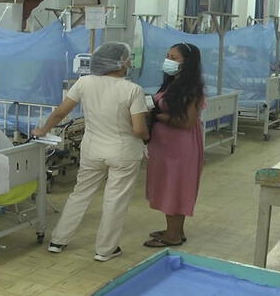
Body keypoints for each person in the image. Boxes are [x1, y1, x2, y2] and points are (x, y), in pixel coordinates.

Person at [32, 42, 149, 262]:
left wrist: (43, 130)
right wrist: (148, 139)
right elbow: (139, 129)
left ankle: (58, 240)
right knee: (115, 200)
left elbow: (60, 113)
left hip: (92, 149)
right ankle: (105, 250)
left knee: (80, 193)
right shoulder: (133, 90)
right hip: (123, 152)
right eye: (128, 59)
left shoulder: (84, 82)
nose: (130, 62)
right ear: (120, 63)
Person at [144, 42, 204, 247]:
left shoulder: (192, 89)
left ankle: (173, 236)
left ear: (187, 63)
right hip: (165, 146)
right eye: (167, 55)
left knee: (175, 187)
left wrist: (157, 116)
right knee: (168, 186)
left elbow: (186, 122)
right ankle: (175, 230)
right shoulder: (171, 83)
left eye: (173, 58)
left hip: (179, 147)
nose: (168, 60)